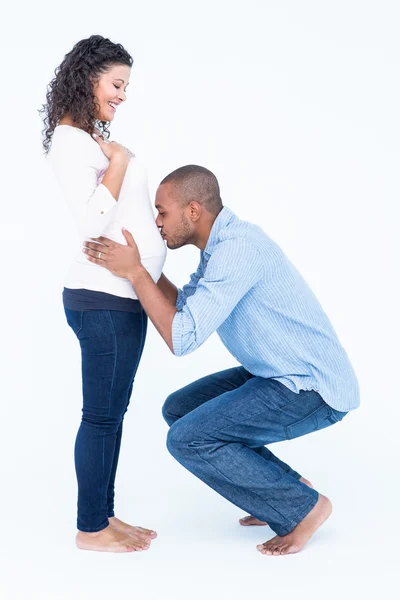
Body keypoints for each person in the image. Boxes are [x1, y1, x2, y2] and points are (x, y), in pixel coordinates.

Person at [82, 164, 360, 556]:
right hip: (277, 375)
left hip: (312, 388)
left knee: (187, 438)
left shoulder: (237, 250)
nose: (157, 222)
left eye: (162, 212)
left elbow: (182, 337)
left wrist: (136, 274)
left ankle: (303, 508)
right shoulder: (220, 248)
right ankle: (289, 489)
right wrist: (139, 266)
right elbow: (183, 307)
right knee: (180, 410)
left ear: (193, 211)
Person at [41, 35, 166, 553]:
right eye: (116, 84)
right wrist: (121, 161)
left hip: (122, 296)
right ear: (89, 78)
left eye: (126, 86)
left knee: (110, 415)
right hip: (102, 298)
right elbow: (90, 220)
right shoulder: (71, 140)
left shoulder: (89, 135)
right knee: (101, 416)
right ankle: (90, 528)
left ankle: (104, 516)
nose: (123, 95)